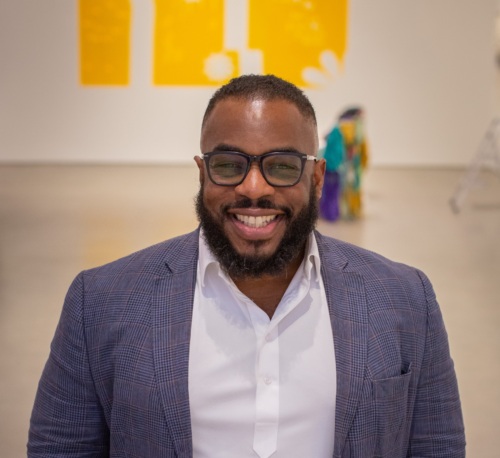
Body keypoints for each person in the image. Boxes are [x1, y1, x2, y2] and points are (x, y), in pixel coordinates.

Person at [28, 74, 465, 457]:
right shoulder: (101, 302)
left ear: (315, 178)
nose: (253, 187)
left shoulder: (406, 299)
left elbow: (438, 447)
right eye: (227, 164)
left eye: (281, 166)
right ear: (202, 173)